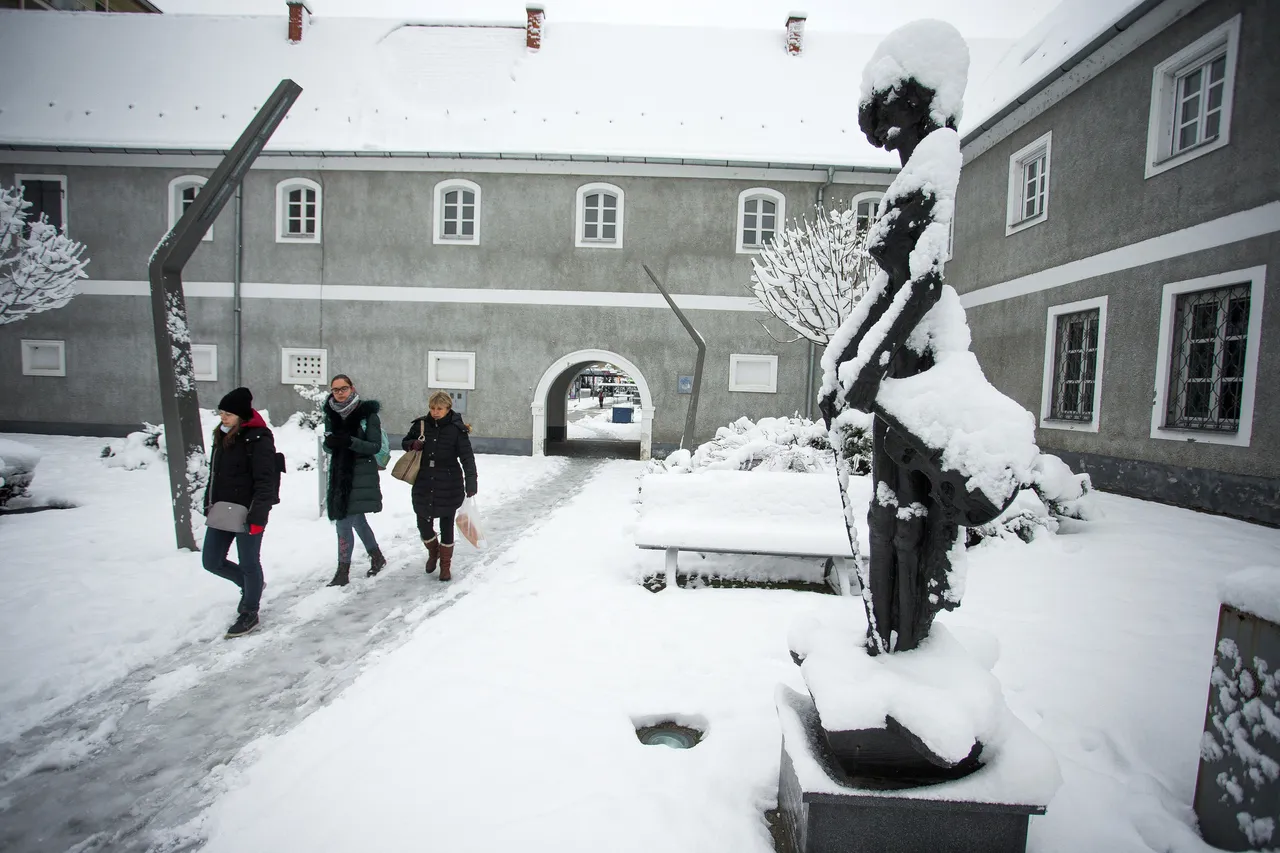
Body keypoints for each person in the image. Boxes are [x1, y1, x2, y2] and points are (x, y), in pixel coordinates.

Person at [202, 386, 279, 639]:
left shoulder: (258, 438)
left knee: (249, 563)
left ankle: (250, 611)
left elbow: (266, 481)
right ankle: (251, 586)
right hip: (222, 510)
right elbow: (214, 475)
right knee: (211, 561)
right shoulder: (221, 436)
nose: (223, 418)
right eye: (221, 413)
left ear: (241, 415)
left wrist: (258, 516)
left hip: (248, 512)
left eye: (228, 414)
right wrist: (208, 502)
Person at [402, 391, 477, 582]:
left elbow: (467, 458)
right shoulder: (421, 425)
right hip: (424, 481)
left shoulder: (456, 429)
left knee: (446, 522)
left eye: (439, 409)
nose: (435, 412)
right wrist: (413, 444)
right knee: (423, 522)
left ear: (448, 409)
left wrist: (471, 482)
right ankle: (433, 551)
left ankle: (445, 565)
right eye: (432, 408)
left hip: (449, 482)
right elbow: (404, 443)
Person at [322, 373, 387, 586]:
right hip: (339, 474)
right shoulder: (331, 414)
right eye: (335, 390)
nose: (340, 393)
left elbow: (374, 446)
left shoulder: (367, 414)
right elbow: (329, 445)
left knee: (343, 521)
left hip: (360, 474)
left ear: (352, 388)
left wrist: (350, 441)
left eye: (344, 388)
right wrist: (330, 444)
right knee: (357, 520)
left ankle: (343, 572)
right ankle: (377, 556)